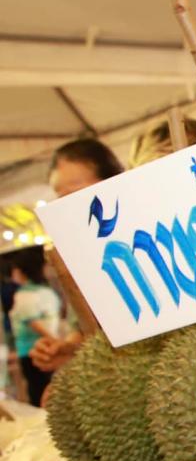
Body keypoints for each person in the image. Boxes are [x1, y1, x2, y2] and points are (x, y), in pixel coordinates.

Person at [30, 138, 125, 373]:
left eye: (75, 195)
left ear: (115, 182)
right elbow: (83, 330)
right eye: (59, 199)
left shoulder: (151, 242)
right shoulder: (76, 258)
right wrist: (67, 350)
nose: (67, 208)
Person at [8, 248, 60, 406]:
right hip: (51, 348)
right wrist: (57, 342)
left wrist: (57, 342)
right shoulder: (47, 291)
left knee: (38, 392)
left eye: (14, 270)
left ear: (21, 271)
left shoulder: (24, 295)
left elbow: (34, 323)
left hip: (32, 351)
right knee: (50, 388)